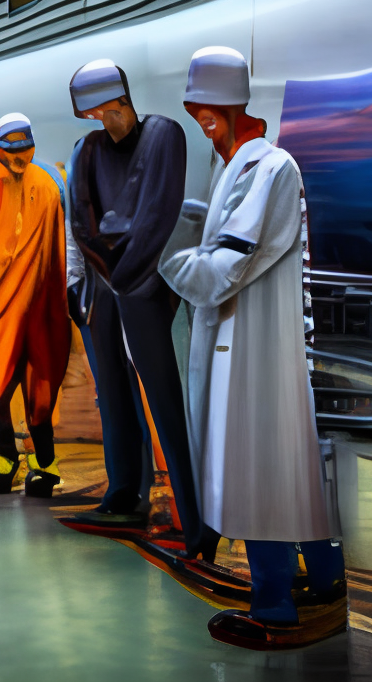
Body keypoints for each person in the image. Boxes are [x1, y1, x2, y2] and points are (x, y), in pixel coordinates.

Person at [159, 46, 344, 648]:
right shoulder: (233, 168)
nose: (203, 124)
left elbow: (220, 271)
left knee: (260, 465)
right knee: (282, 464)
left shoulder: (272, 168)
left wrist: (166, 256)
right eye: (197, 113)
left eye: (210, 113)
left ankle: (274, 604)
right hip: (246, 345)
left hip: (256, 346)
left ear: (235, 105)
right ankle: (323, 578)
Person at [68, 59, 214, 559]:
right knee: (113, 397)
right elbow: (82, 221)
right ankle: (123, 494)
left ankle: (198, 523)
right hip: (107, 285)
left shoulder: (162, 135)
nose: (104, 123)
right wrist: (105, 273)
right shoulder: (87, 150)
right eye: (95, 115)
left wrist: (123, 272)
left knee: (168, 403)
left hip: (146, 284)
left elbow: (157, 214)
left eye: (109, 110)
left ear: (124, 99)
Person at [0, 114, 70, 496]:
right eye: (10, 148)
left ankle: (44, 468)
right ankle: (5, 461)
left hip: (42, 307)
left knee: (41, 395)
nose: (18, 156)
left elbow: (63, 244)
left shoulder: (47, 186)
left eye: (24, 148)